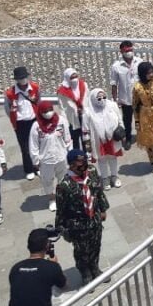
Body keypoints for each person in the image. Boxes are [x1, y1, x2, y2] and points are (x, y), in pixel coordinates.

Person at [55, 149, 110, 284]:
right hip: (78, 225)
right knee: (81, 251)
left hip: (94, 220)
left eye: (85, 162)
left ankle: (95, 268)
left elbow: (98, 191)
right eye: (80, 163)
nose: (83, 166)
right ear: (72, 165)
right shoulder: (64, 185)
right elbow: (61, 210)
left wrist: (103, 209)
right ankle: (85, 273)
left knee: (96, 246)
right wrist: (62, 229)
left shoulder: (91, 172)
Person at [29, 102, 70, 212]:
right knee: (48, 180)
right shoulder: (36, 126)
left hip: (61, 156)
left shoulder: (61, 121)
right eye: (45, 111)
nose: (48, 113)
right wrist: (36, 161)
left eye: (49, 110)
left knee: (63, 178)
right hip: (46, 160)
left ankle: (63, 197)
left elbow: (67, 138)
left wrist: (70, 153)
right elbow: (33, 145)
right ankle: (52, 199)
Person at [5, 66, 41, 180]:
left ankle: (38, 167)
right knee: (25, 147)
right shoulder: (10, 93)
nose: (23, 80)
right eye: (21, 78)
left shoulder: (35, 87)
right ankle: (29, 169)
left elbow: (39, 101)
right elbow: (7, 108)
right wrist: (14, 119)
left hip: (34, 120)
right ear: (16, 80)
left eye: (25, 77)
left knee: (37, 144)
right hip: (20, 123)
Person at [82, 87, 123, 189]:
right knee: (102, 159)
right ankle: (105, 179)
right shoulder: (88, 112)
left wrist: (123, 134)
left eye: (104, 97)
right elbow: (85, 131)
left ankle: (114, 176)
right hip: (98, 141)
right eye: (99, 98)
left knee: (113, 158)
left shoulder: (112, 106)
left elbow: (120, 120)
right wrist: (88, 148)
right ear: (93, 99)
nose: (102, 100)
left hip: (112, 138)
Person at [109, 42, 142, 150]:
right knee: (127, 121)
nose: (129, 53)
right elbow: (114, 83)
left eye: (130, 50)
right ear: (122, 52)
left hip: (140, 98)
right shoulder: (116, 66)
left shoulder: (139, 62)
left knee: (142, 118)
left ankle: (142, 136)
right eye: (127, 51)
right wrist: (115, 100)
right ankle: (128, 138)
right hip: (125, 99)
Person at [56, 67, 88, 152]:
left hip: (84, 115)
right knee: (75, 138)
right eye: (72, 78)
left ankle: (86, 155)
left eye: (76, 76)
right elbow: (62, 107)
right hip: (72, 119)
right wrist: (65, 121)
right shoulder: (62, 91)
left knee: (85, 136)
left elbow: (87, 99)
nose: (75, 79)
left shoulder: (83, 85)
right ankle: (76, 157)